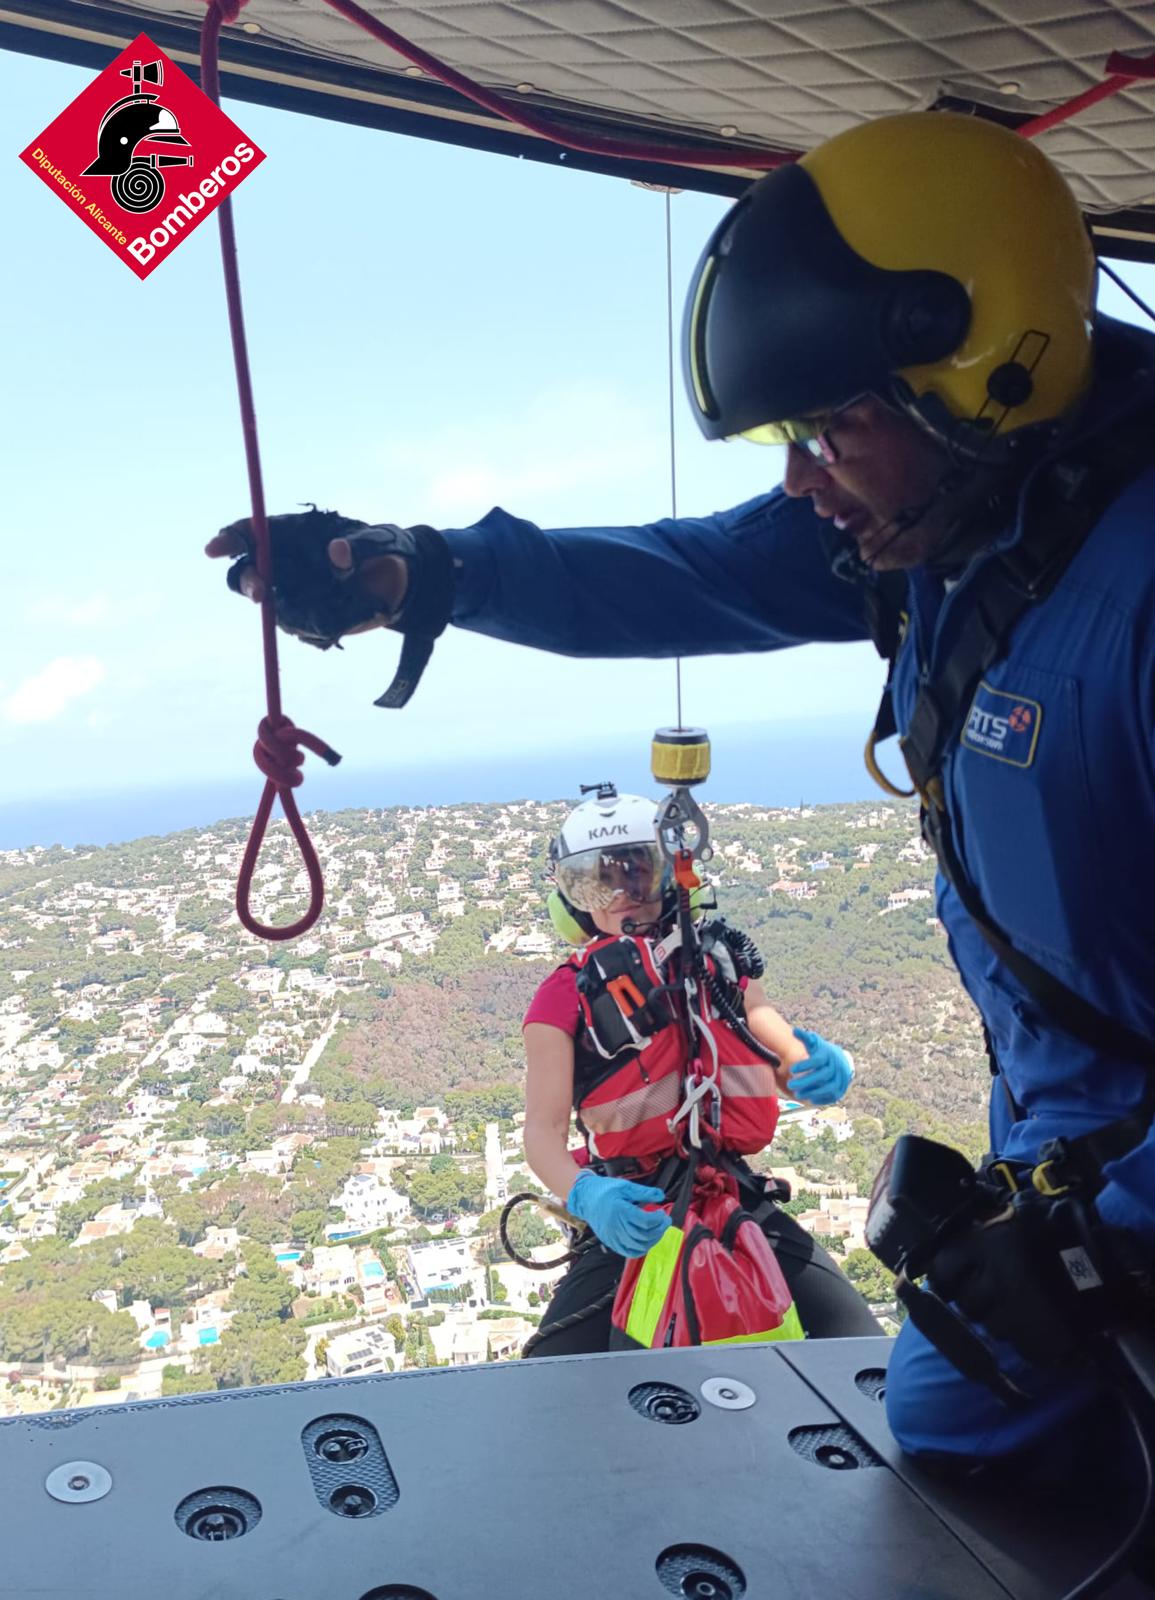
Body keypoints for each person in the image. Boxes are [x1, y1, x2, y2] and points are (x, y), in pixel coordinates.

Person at [208, 110, 1155, 1465]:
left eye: (828, 428)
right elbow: (688, 568)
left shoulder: (1105, 579)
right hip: (1073, 1178)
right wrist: (421, 572)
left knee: (974, 1448)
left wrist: (1102, 1252)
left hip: (1118, 1202)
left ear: (992, 369)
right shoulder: (955, 522)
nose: (799, 483)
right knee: (948, 1426)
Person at [519, 783, 877, 1357]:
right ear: (574, 897)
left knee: (857, 1347)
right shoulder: (561, 999)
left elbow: (772, 1049)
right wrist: (587, 1197)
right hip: (629, 1207)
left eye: (634, 872)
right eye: (596, 881)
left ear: (667, 872)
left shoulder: (715, 961)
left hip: (732, 1189)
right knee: (548, 1379)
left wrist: (818, 1068)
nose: (618, 896)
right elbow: (542, 1133)